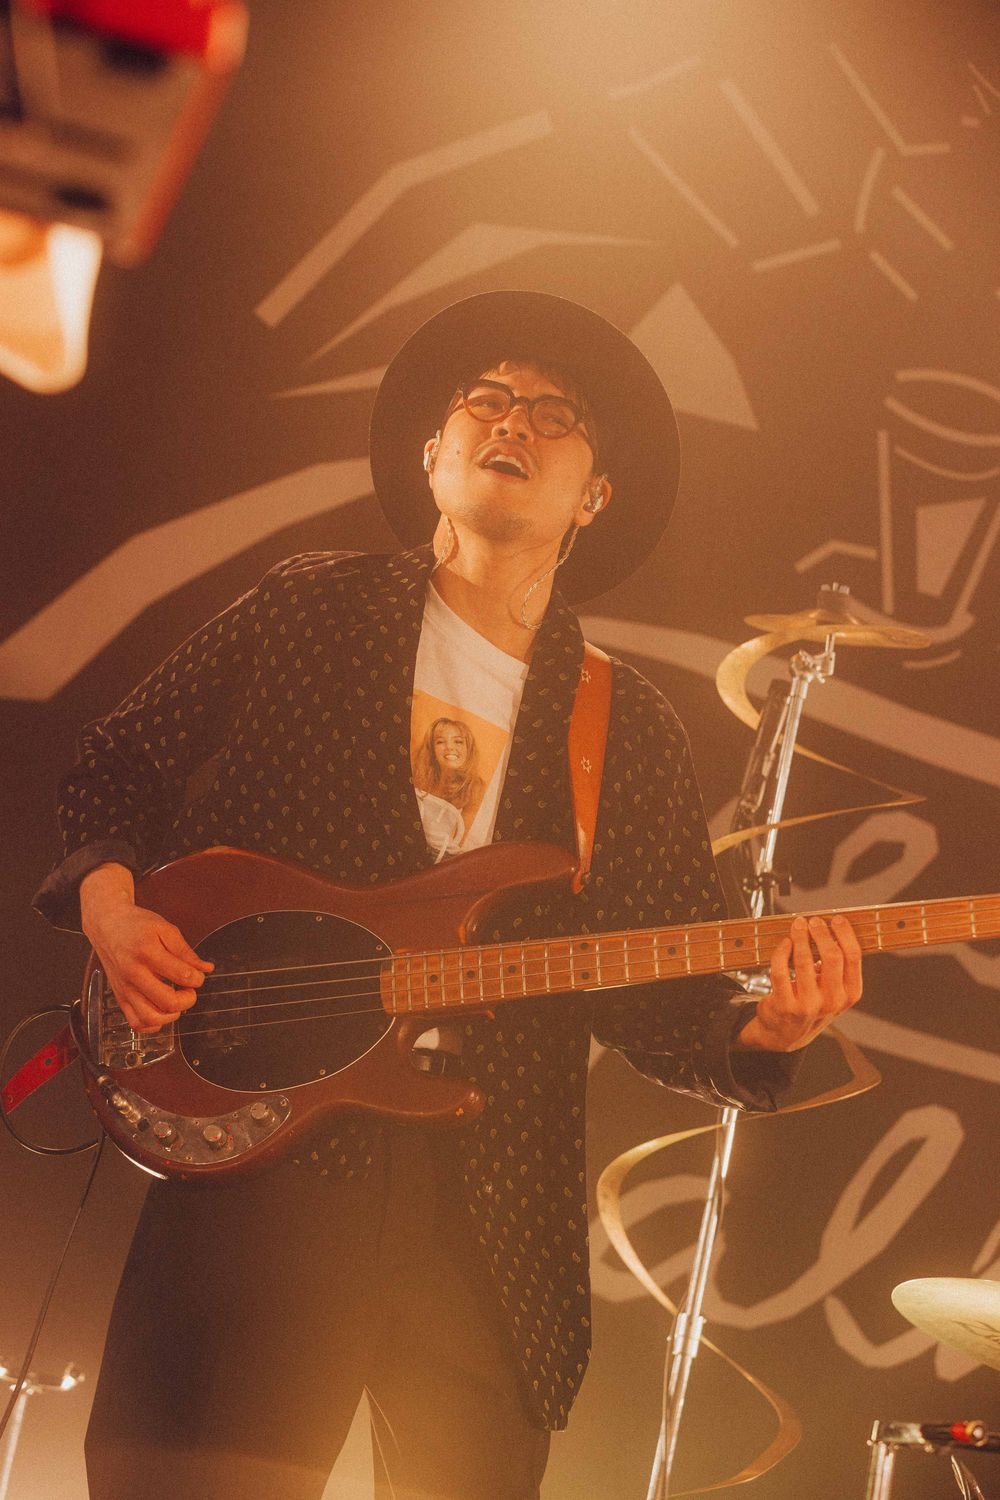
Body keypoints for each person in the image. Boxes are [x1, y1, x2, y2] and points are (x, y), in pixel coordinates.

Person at [34, 291, 864, 1500]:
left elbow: (658, 1001)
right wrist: (113, 910)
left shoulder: (624, 724)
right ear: (432, 455)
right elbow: (116, 766)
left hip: (492, 1206)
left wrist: (767, 1030)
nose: (511, 420)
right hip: (266, 1158)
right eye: (486, 400)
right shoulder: (309, 608)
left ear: (593, 497)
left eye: (553, 414)